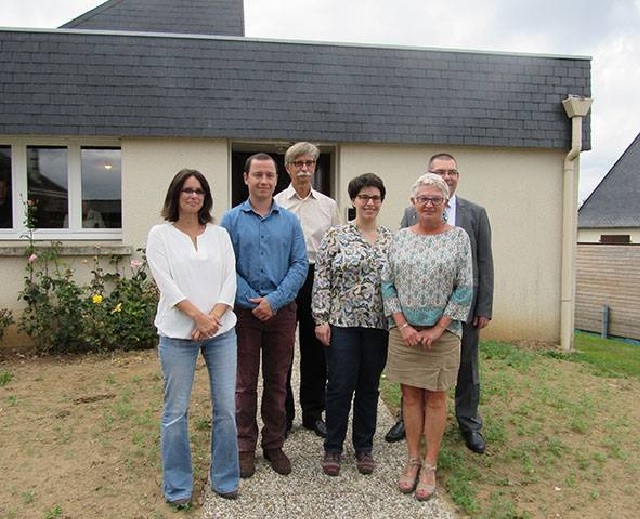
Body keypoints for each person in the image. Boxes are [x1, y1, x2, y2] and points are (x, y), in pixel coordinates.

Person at [385, 153, 494, 455]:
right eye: (439, 172)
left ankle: (469, 423)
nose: (446, 177)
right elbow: (395, 270)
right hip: (408, 319)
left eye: (451, 172)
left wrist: (484, 306)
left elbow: (483, 262)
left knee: (466, 369)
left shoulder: (474, 214)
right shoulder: (409, 217)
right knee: (412, 385)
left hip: (460, 313)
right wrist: (403, 323)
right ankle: (408, 425)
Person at [146, 168, 239, 507]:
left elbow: (230, 280)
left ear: (206, 197)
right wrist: (197, 317)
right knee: (175, 412)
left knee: (227, 409)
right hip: (177, 334)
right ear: (176, 194)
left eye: (199, 190)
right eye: (187, 190)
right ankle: (178, 486)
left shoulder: (220, 235)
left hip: (221, 333)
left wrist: (211, 318)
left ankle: (226, 478)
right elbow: (166, 284)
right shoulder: (160, 235)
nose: (193, 195)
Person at [381, 172, 473, 501]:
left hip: (443, 334)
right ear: (414, 203)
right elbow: (387, 283)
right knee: (409, 397)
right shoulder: (400, 237)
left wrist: (438, 328)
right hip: (404, 333)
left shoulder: (458, 237)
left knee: (435, 398)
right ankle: (411, 460)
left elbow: (465, 288)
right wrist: (404, 325)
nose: (429, 204)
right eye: (424, 198)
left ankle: (430, 465)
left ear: (446, 203)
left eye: (436, 199)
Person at [220, 153, 308, 478]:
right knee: (244, 383)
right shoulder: (230, 221)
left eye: (269, 175)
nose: (264, 181)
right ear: (246, 178)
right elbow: (225, 266)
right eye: (257, 174)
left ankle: (274, 444)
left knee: (277, 381)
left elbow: (300, 265)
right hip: (243, 314)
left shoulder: (290, 221)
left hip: (282, 313)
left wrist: (274, 300)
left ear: (276, 179)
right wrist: (252, 300)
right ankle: (244, 447)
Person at [312, 173, 391, 477]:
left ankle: (363, 446)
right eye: (363, 197)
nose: (369, 202)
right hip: (342, 322)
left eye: (375, 197)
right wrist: (320, 318)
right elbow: (321, 277)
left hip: (377, 325)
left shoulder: (390, 239)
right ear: (354, 200)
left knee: (369, 386)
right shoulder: (336, 236)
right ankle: (333, 446)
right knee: (341, 384)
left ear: (381, 202)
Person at [274, 142, 341, 438]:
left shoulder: (328, 205)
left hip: (318, 278)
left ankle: (313, 413)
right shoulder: (276, 203)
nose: (304, 168)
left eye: (309, 163)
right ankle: (284, 414)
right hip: (286, 279)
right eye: (298, 163)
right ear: (287, 168)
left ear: (315, 167)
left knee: (315, 352)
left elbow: (338, 247)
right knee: (283, 350)